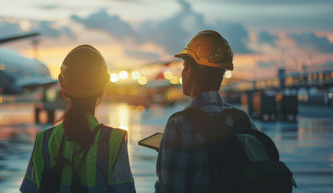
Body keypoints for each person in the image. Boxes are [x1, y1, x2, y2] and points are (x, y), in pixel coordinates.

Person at [20, 44, 136, 193]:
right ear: (104, 83)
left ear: (62, 84)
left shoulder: (44, 140)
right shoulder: (114, 140)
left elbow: (30, 190)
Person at [155, 30, 258, 193]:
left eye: (184, 66)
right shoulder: (243, 120)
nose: (182, 73)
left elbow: (170, 188)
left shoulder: (180, 124)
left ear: (189, 70)